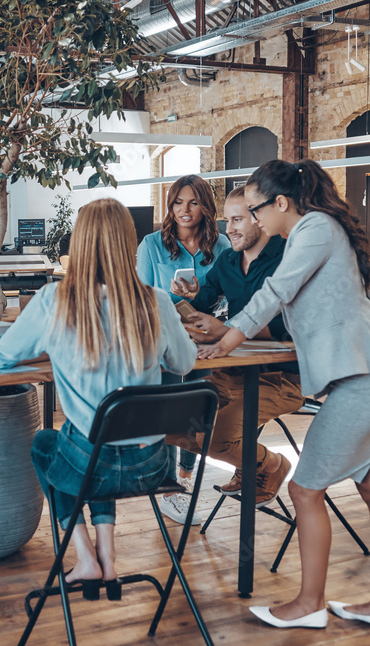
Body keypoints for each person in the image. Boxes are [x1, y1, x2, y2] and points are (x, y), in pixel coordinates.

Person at [0, 198, 195, 596]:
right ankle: (108, 558)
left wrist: (51, 344)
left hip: (90, 467)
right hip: (151, 467)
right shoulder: (156, 301)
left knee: (49, 445)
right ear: (128, 244)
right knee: (98, 438)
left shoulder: (54, 301)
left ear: (78, 244)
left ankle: (85, 557)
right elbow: (183, 363)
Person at [197, 160, 370, 630]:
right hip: (354, 377)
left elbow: (274, 292)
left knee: (303, 488)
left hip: (359, 380)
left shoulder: (314, 229)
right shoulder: (311, 232)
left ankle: (309, 604)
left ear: (281, 203)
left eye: (255, 210)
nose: (252, 220)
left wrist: (224, 343)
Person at [168, 186, 299, 507]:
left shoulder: (289, 257)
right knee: (171, 427)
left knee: (217, 438)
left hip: (278, 378)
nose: (229, 229)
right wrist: (187, 302)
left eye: (238, 220)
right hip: (230, 372)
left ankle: (269, 464)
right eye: (227, 220)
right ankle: (249, 464)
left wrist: (224, 329)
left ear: (260, 218)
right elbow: (202, 302)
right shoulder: (228, 260)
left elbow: (293, 326)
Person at [136, 174, 232, 526]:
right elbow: (143, 296)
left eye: (192, 202)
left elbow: (230, 291)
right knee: (167, 409)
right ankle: (168, 489)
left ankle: (187, 477)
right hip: (165, 337)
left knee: (199, 407)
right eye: (178, 202)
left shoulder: (221, 245)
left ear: (205, 205)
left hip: (206, 338)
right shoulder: (151, 244)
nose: (184, 210)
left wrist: (209, 308)